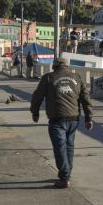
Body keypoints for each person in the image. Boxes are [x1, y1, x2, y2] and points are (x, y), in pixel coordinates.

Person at [30, 57, 93, 189]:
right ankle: (67, 173)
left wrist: (35, 113)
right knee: (69, 147)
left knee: (60, 148)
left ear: (54, 66)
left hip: (57, 119)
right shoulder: (76, 77)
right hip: (74, 118)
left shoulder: (48, 78)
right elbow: (85, 98)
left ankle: (64, 178)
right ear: (67, 66)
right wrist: (88, 118)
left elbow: (37, 97)